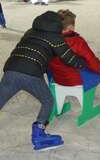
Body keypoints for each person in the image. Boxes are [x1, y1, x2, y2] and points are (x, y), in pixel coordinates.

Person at [0, 11, 87, 150]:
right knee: (48, 101)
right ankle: (39, 136)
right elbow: (69, 58)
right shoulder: (55, 37)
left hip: (11, 68)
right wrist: (83, 63)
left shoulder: (30, 32)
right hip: (31, 73)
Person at [48, 10, 100, 98]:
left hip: (57, 76)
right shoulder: (77, 42)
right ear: (70, 27)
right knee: (98, 71)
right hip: (73, 79)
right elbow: (91, 59)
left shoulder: (49, 38)